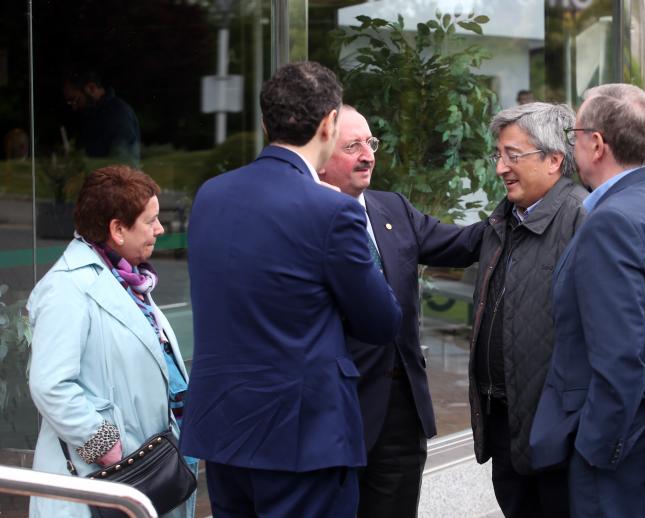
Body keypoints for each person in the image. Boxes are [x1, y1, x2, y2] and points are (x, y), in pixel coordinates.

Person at [180, 62, 402, 517]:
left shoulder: (210, 196)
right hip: (304, 441)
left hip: (224, 432)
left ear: (266, 124)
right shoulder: (333, 211)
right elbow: (382, 322)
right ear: (328, 125)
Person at [529, 83, 645, 517]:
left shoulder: (614, 221)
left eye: (574, 136)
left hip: (619, 456)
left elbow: (619, 358)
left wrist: (595, 450)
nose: (572, 147)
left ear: (597, 143)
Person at [318, 105, 486, 518]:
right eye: (353, 145)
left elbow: (462, 244)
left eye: (371, 143)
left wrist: (521, 207)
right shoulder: (304, 219)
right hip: (335, 410)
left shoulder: (392, 208)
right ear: (321, 157)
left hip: (400, 410)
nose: (368, 155)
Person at [27, 165, 194, 517]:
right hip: (102, 482)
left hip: (142, 473)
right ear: (117, 229)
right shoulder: (66, 289)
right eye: (150, 221)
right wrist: (105, 446)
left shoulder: (124, 278)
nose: (160, 229)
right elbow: (50, 384)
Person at [468, 102, 587, 517]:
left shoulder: (583, 219)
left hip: (557, 435)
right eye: (498, 155)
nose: (501, 168)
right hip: (506, 423)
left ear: (554, 159)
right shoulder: (503, 221)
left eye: (512, 155)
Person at [63, 69, 141, 165]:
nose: (74, 107)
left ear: (91, 88)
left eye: (75, 99)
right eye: (70, 103)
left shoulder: (118, 113)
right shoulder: (91, 115)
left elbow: (124, 163)